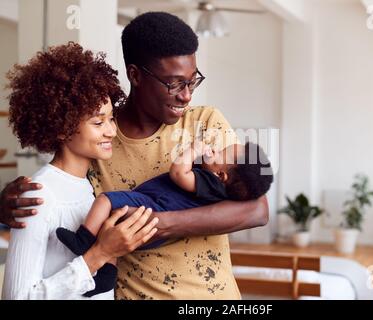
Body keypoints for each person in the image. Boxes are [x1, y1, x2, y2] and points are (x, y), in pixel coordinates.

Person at [0, 12, 269, 300]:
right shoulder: (98, 135)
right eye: (175, 83)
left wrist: (160, 223)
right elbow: (61, 184)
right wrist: (8, 204)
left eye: (193, 81)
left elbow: (257, 209)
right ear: (136, 75)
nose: (187, 95)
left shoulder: (205, 124)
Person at [1, 43, 159, 300]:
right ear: (62, 128)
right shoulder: (38, 196)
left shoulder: (90, 185)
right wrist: (99, 254)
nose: (110, 131)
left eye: (110, 118)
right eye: (98, 122)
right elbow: (16, 297)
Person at [56, 142, 273, 294]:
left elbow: (178, 173)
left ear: (221, 176)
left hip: (153, 209)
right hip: (153, 221)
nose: (214, 150)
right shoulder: (220, 189)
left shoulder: (208, 181)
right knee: (111, 225)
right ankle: (106, 276)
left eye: (220, 153)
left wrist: (193, 150)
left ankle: (83, 239)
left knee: (105, 200)